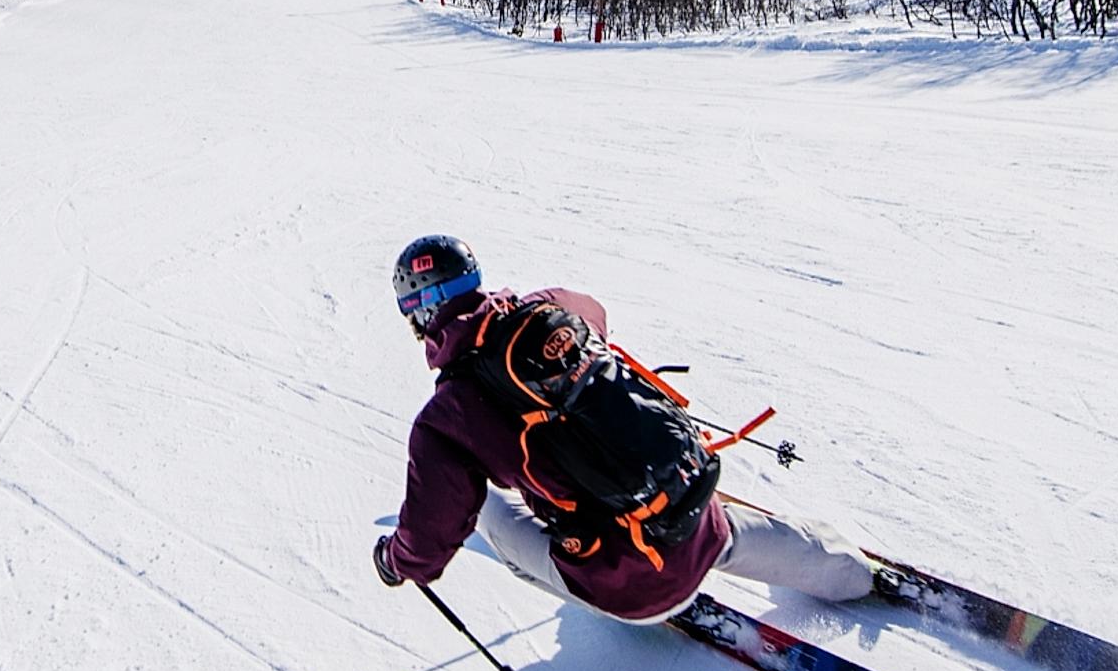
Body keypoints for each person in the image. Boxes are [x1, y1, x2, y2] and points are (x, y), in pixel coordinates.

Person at [373, 234, 876, 623]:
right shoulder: (551, 308)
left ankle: (652, 603)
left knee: (488, 512)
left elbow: (428, 537)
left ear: (420, 312)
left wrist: (396, 562)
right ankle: (852, 573)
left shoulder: (446, 417)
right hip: (693, 505)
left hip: (628, 584)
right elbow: (596, 314)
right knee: (716, 534)